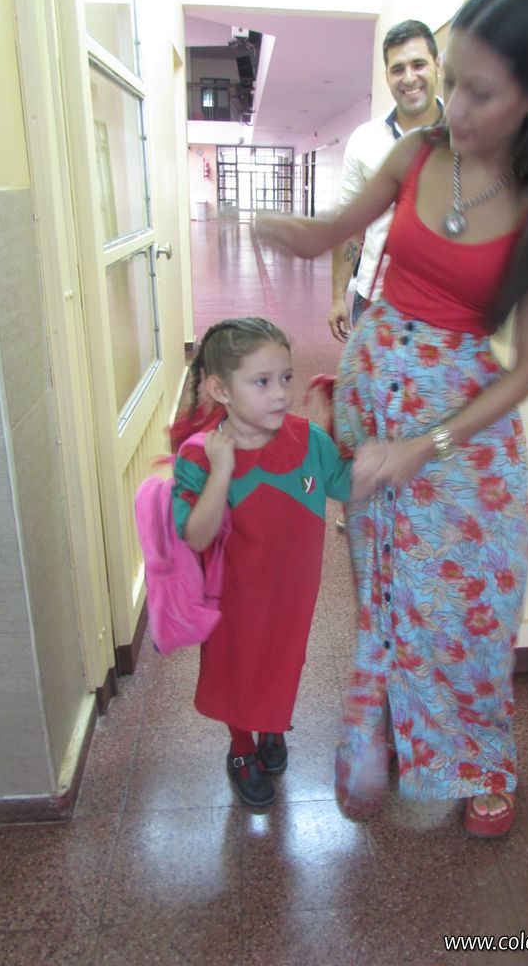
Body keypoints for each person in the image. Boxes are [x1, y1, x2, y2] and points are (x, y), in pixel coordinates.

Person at [256, 0, 528, 837]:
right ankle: (402, 730)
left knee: (468, 605)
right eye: (454, 82)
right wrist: (288, 232)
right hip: (377, 399)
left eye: (480, 91)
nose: (454, 108)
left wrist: (423, 446)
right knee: (387, 589)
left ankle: (481, 762)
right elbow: (336, 231)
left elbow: (525, 370)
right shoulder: (416, 155)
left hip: (459, 429)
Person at [170, 317, 385, 809]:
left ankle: (271, 726)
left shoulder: (308, 441)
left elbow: (344, 485)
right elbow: (197, 534)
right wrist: (222, 470)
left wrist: (365, 440)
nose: (281, 393)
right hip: (232, 600)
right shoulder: (199, 457)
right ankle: (241, 749)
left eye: (286, 378)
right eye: (262, 382)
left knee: (282, 660)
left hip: (293, 595)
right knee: (238, 669)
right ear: (220, 389)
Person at [328, 19, 443, 343]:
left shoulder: (468, 137)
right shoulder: (365, 140)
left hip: (443, 306)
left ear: (437, 64)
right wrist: (338, 297)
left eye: (418, 64)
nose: (409, 78)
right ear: (387, 76)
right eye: (398, 69)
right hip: (374, 299)